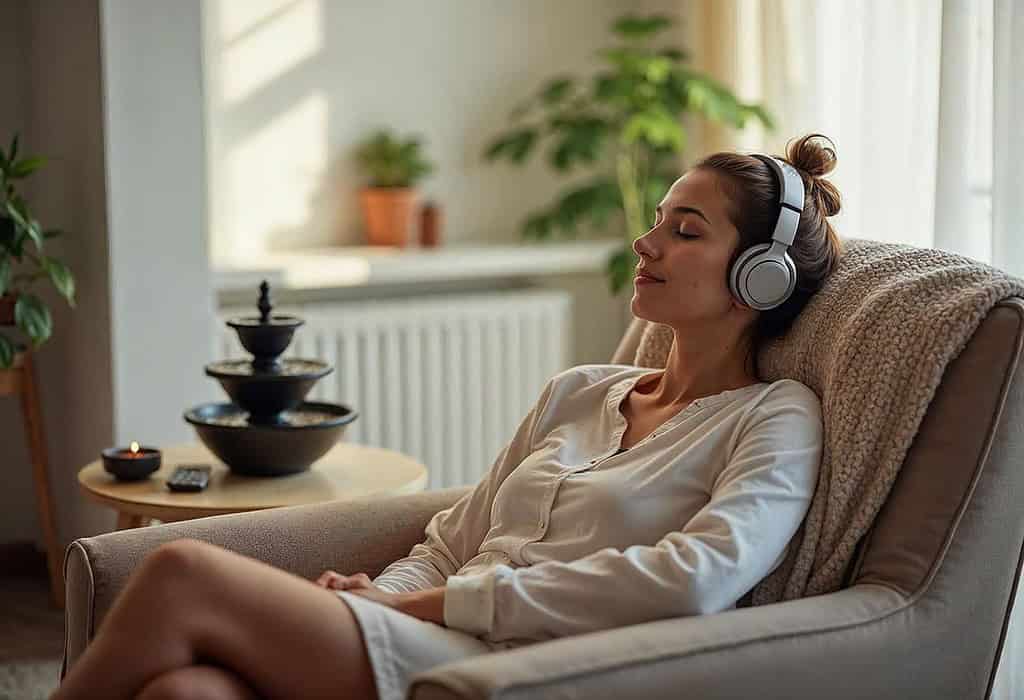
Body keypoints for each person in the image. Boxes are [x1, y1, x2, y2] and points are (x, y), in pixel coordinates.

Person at [52, 134, 844, 700]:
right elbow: (451, 542)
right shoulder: (580, 390)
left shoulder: (774, 419)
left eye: (685, 231)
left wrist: (414, 608)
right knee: (188, 691)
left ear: (760, 279)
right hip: (429, 629)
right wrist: (380, 591)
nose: (647, 242)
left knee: (182, 573)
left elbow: (693, 580)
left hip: (524, 663)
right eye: (659, 219)